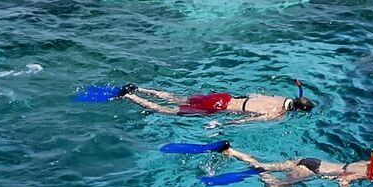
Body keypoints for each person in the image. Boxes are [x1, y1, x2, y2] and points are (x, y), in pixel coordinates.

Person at [212, 141, 373, 187]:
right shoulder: (366, 172)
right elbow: (344, 180)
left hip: (310, 160)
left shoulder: (368, 163)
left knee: (263, 163)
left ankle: (236, 153)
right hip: (312, 171)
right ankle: (261, 173)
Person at [119, 79, 317, 123]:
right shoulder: (277, 114)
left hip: (224, 97)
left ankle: (139, 89)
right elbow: (247, 121)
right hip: (219, 108)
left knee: (178, 97)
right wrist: (229, 123)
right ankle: (129, 96)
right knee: (170, 111)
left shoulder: (279, 98)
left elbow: (253, 94)